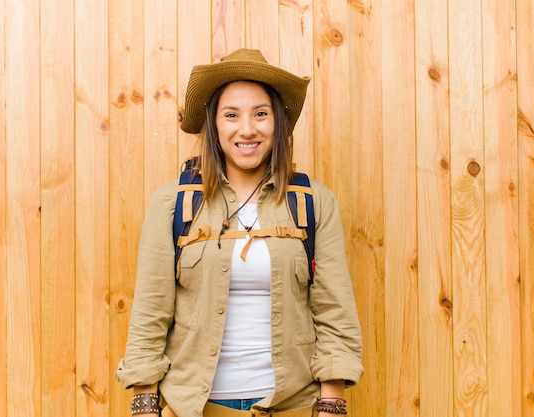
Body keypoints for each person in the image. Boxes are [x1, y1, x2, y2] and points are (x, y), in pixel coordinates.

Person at [116, 48, 363, 417]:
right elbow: (150, 313)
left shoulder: (315, 202)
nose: (247, 129)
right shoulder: (172, 203)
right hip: (195, 408)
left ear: (277, 122)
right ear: (214, 124)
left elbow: (333, 311)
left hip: (291, 406)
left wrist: (331, 403)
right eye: (231, 115)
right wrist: (145, 405)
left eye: (260, 114)